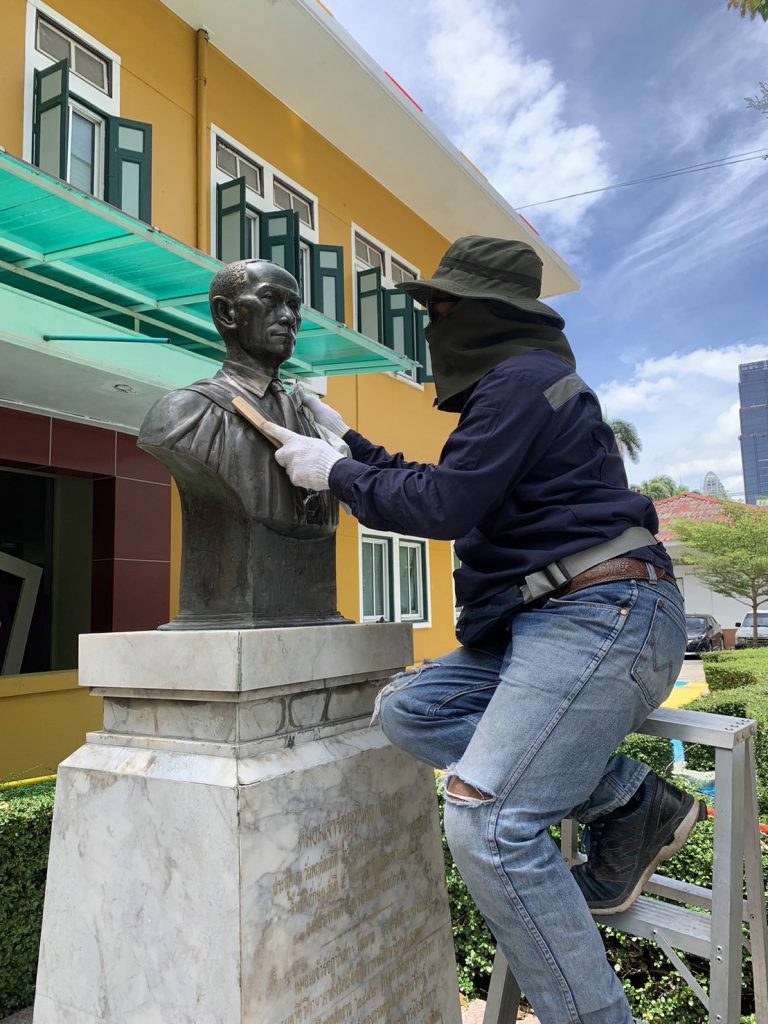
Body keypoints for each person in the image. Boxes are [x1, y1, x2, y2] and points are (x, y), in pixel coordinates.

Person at [259, 236, 706, 1024]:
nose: (431, 325)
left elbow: (443, 505)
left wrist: (336, 473)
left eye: (441, 309)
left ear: (485, 315)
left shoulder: (523, 380)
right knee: (409, 709)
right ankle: (632, 799)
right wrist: (352, 447)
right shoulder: (524, 386)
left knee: (490, 822)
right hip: (550, 621)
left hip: (603, 612)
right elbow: (453, 484)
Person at [138, 259, 343, 629]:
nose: (288, 317)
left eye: (294, 306)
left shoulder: (314, 420)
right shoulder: (184, 413)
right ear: (227, 312)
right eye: (271, 300)